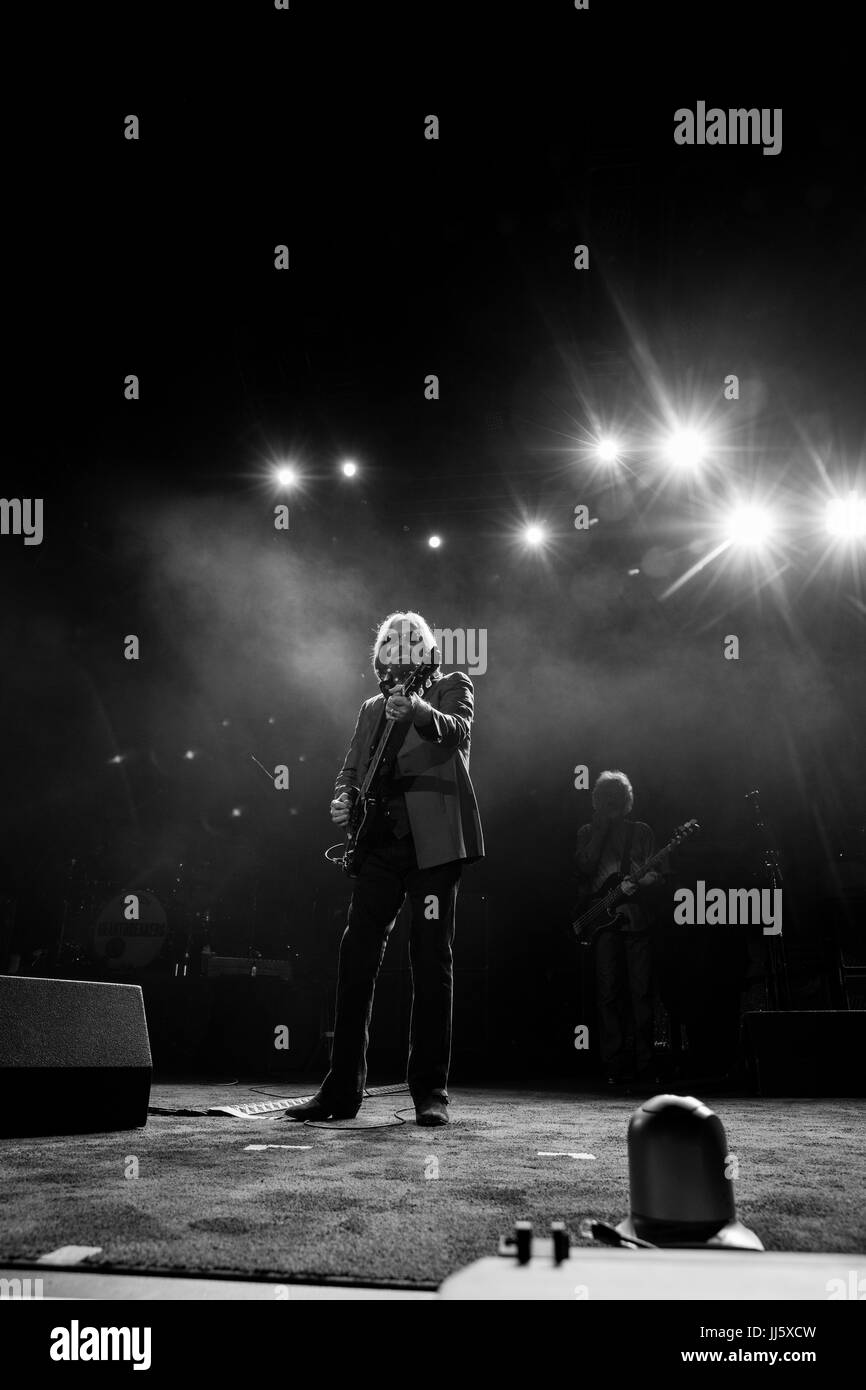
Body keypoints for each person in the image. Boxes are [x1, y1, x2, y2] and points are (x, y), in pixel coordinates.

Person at [287, 611, 484, 1126]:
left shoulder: (450, 687)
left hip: (435, 845)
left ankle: (430, 1093)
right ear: (380, 656)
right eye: (390, 640)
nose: (400, 645)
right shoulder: (370, 707)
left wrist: (417, 707)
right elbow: (351, 767)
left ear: (426, 651)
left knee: (429, 961)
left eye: (411, 639)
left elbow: (457, 733)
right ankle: (340, 1092)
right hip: (380, 845)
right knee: (356, 957)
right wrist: (341, 800)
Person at [574, 770, 665, 1089]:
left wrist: (641, 882)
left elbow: (659, 875)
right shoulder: (587, 831)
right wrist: (599, 831)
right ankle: (614, 1066)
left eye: (617, 796)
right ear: (598, 801)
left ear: (626, 800)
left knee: (641, 993)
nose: (612, 801)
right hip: (602, 924)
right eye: (605, 796)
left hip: (636, 916)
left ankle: (645, 1065)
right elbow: (583, 868)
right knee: (607, 993)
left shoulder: (642, 832)